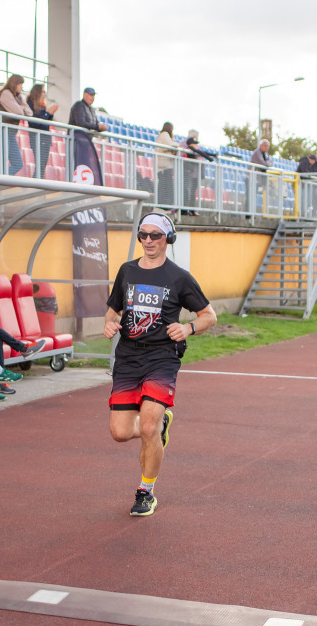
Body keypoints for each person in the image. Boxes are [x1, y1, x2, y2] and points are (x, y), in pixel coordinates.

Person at [104, 213, 217, 516]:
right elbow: (113, 310)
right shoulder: (126, 271)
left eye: (156, 235)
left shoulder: (179, 277)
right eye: (143, 235)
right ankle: (160, 424)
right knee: (119, 432)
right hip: (128, 357)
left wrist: (189, 328)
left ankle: (146, 491)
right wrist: (111, 324)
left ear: (168, 239)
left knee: (149, 425)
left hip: (162, 357)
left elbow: (209, 315)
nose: (149, 241)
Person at [0, 75, 33, 175]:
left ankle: (2, 180)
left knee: (17, 163)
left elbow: (30, 113)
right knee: (7, 162)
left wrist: (22, 107)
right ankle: (1, 181)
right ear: (15, 84)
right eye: (20, 84)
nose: (21, 87)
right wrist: (21, 108)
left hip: (10, 132)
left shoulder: (19, 97)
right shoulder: (6, 93)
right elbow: (18, 112)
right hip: (1, 130)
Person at [27, 84, 59, 178]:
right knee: (40, 166)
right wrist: (48, 113)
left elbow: (45, 122)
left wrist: (50, 114)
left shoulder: (42, 106)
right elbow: (35, 122)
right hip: (37, 140)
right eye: (43, 91)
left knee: (42, 166)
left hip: (44, 140)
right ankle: (35, 186)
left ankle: (37, 185)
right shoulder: (31, 104)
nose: (45, 94)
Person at [182, 129, 216, 215]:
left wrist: (213, 155)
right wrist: (210, 158)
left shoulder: (193, 149)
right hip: (188, 173)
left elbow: (203, 152)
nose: (196, 145)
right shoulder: (189, 148)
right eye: (195, 143)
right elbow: (199, 152)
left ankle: (191, 210)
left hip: (193, 174)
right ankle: (185, 210)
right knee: (187, 191)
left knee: (192, 192)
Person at [155, 122, 178, 209]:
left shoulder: (161, 136)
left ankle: (164, 206)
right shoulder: (164, 135)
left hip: (162, 166)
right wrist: (178, 145)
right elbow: (171, 145)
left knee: (164, 186)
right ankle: (165, 206)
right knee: (166, 187)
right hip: (164, 166)